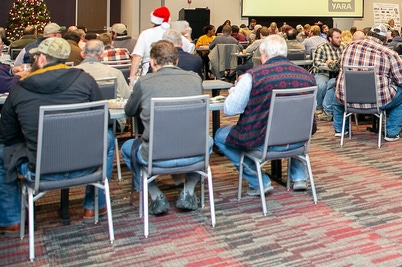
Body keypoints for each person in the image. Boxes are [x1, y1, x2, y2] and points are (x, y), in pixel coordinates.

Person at [0, 37, 112, 232]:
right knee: (109, 139)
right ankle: (93, 206)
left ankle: (12, 221)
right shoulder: (85, 80)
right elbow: (104, 120)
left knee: (2, 152)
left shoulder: (19, 89)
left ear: (42, 59)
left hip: (39, 170)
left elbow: (7, 135)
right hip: (86, 166)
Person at [215, 35, 316, 195]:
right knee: (293, 122)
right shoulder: (307, 76)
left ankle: (258, 181)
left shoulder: (252, 76)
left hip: (264, 143)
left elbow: (230, 110)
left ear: (263, 54)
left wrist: (235, 90)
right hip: (299, 142)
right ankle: (299, 177)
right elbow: (309, 112)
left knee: (220, 136)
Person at [122, 40, 209, 215]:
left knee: (126, 148)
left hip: (155, 156)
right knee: (209, 140)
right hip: (194, 154)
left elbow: (129, 111)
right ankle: (189, 190)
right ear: (176, 61)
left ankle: (154, 194)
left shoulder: (144, 82)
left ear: (152, 62)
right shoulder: (195, 79)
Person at [331, 24, 402, 141]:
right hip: (378, 101)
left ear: (367, 35)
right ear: (384, 39)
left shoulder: (349, 47)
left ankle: (340, 130)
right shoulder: (389, 53)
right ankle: (392, 133)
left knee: (337, 94)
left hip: (348, 99)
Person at [130, 6, 193, 79]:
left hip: (149, 75)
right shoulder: (175, 34)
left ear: (152, 20)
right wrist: (188, 35)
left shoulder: (145, 34)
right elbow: (190, 49)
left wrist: (132, 78)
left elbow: (137, 57)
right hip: (174, 75)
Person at [311, 28, 343, 119]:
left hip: (337, 74)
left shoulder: (343, 47)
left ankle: (328, 110)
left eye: (340, 37)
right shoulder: (321, 48)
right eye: (337, 38)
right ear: (330, 38)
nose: (340, 39)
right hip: (323, 73)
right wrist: (330, 65)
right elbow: (316, 63)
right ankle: (318, 107)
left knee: (332, 84)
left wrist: (332, 63)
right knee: (321, 86)